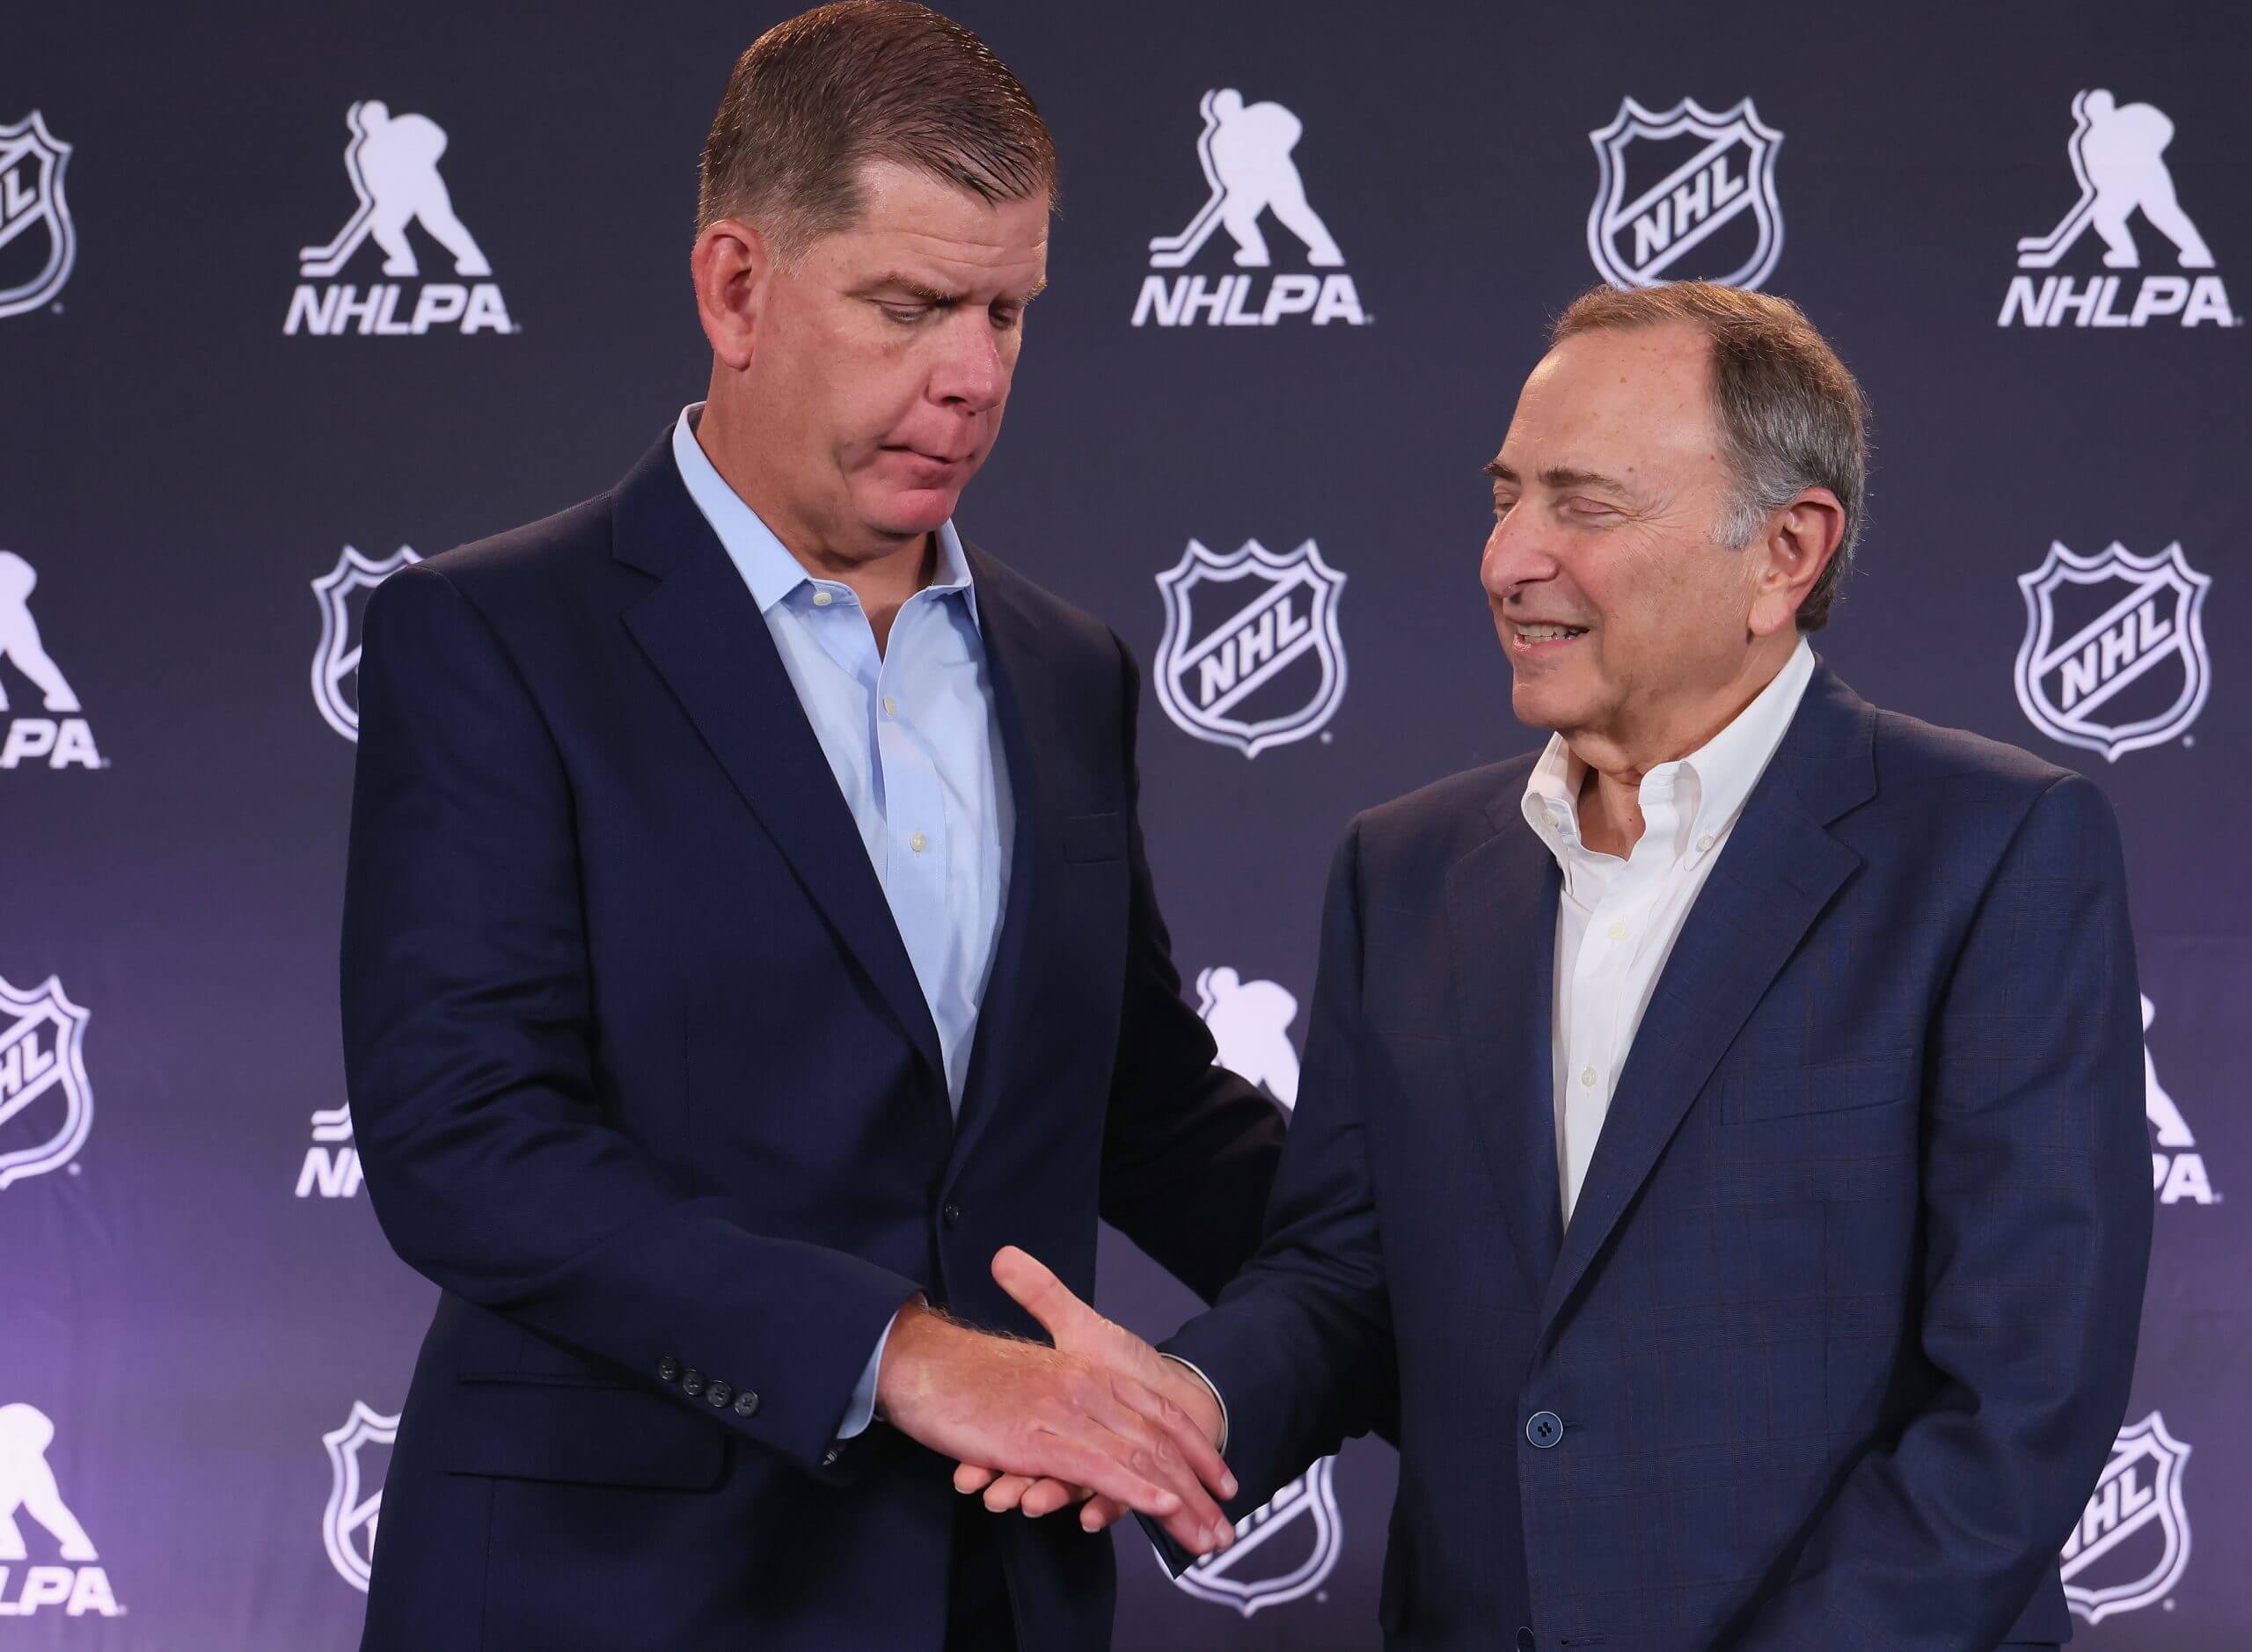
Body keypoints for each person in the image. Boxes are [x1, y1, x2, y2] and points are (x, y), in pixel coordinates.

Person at [962, 281, 2153, 1650]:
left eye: (1583, 505)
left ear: (1785, 551)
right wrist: (1192, 1402)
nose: (1507, 558)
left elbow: (2020, 1399)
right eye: (1505, 497)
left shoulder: (1994, 850)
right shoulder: (1403, 869)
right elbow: (1348, 1277)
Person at [338, 5, 1272, 1648]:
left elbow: (1142, 1106)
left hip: (991, 1601)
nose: (972, 375)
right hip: (609, 1600)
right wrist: (904, 1354)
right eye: (908, 306)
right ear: (736, 289)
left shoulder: (1071, 669)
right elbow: (468, 1143)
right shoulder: (493, 638)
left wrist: (1479, 1268)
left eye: (1006, 310)